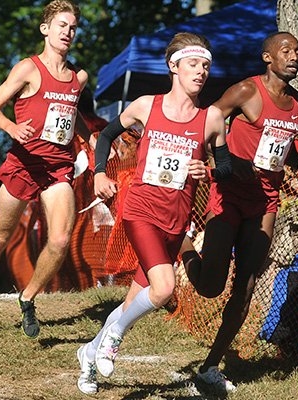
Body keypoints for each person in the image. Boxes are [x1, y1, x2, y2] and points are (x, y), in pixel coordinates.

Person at [75, 32, 232, 395]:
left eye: (206, 66)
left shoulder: (212, 119)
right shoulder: (146, 106)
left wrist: (207, 172)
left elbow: (225, 167)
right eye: (194, 64)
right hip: (141, 211)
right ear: (173, 67)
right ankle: (113, 335)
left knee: (134, 301)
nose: (201, 71)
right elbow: (105, 136)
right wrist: (99, 172)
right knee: (163, 289)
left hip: (176, 222)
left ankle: (89, 353)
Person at [178, 32, 298, 393]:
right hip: (229, 194)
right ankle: (182, 246)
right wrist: (222, 162)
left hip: (265, 200)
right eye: (285, 51)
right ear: (267, 58)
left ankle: (211, 365)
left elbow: (283, 150)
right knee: (211, 286)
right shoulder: (245, 91)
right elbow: (208, 125)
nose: (293, 57)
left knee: (247, 284)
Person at [0, 0, 94, 338]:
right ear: (45, 29)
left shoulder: (76, 78)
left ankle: (27, 298)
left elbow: (71, 112)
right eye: (62, 25)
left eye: (72, 28)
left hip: (57, 169)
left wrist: (89, 137)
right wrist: (11, 128)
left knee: (60, 239)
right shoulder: (28, 68)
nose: (67, 32)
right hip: (24, 164)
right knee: (0, 237)